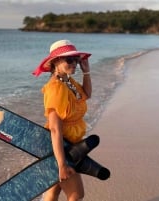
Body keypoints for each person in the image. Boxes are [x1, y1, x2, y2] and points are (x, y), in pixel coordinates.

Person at [33, 39, 92, 201]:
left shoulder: (67, 81)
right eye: (69, 60)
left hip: (68, 146)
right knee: (76, 194)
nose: (74, 64)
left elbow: (86, 95)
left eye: (76, 60)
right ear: (56, 61)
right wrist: (62, 164)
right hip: (61, 150)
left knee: (53, 192)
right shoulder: (56, 88)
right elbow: (55, 129)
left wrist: (86, 72)